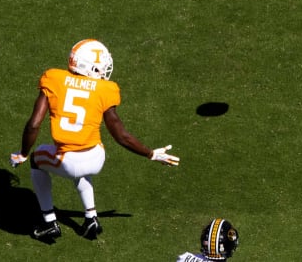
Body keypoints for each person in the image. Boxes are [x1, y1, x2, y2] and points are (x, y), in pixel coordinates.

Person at [10, 39, 180, 240]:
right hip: (96, 157)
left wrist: (23, 153)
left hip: (68, 161)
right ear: (88, 67)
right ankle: (91, 218)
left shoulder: (53, 79)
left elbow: (34, 125)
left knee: (37, 160)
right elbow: (121, 136)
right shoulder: (105, 89)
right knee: (83, 164)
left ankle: (49, 223)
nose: (104, 70)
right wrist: (150, 154)